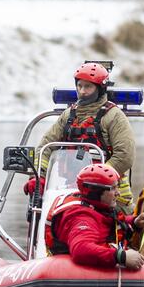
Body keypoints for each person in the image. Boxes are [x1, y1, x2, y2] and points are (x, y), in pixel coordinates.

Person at [24, 62, 136, 213]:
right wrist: (39, 178)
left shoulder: (114, 116)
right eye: (80, 86)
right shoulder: (68, 115)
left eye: (88, 87)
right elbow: (45, 147)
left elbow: (125, 156)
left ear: (100, 88)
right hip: (71, 191)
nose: (82, 91)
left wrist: (97, 181)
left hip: (110, 197)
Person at [45, 164, 144, 270]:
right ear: (96, 192)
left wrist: (134, 221)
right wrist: (121, 256)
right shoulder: (82, 218)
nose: (118, 193)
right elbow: (80, 249)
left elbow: (107, 222)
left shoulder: (93, 206)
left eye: (117, 187)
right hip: (78, 275)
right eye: (113, 188)